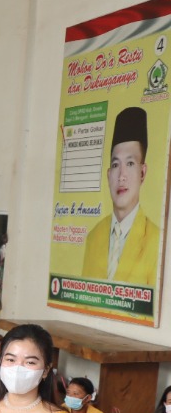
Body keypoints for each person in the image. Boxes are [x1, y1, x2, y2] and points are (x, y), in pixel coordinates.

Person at [82, 107, 159, 286]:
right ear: (109, 175)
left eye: (130, 163)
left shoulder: (156, 241)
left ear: (143, 173)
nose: (121, 175)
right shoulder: (94, 237)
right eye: (116, 165)